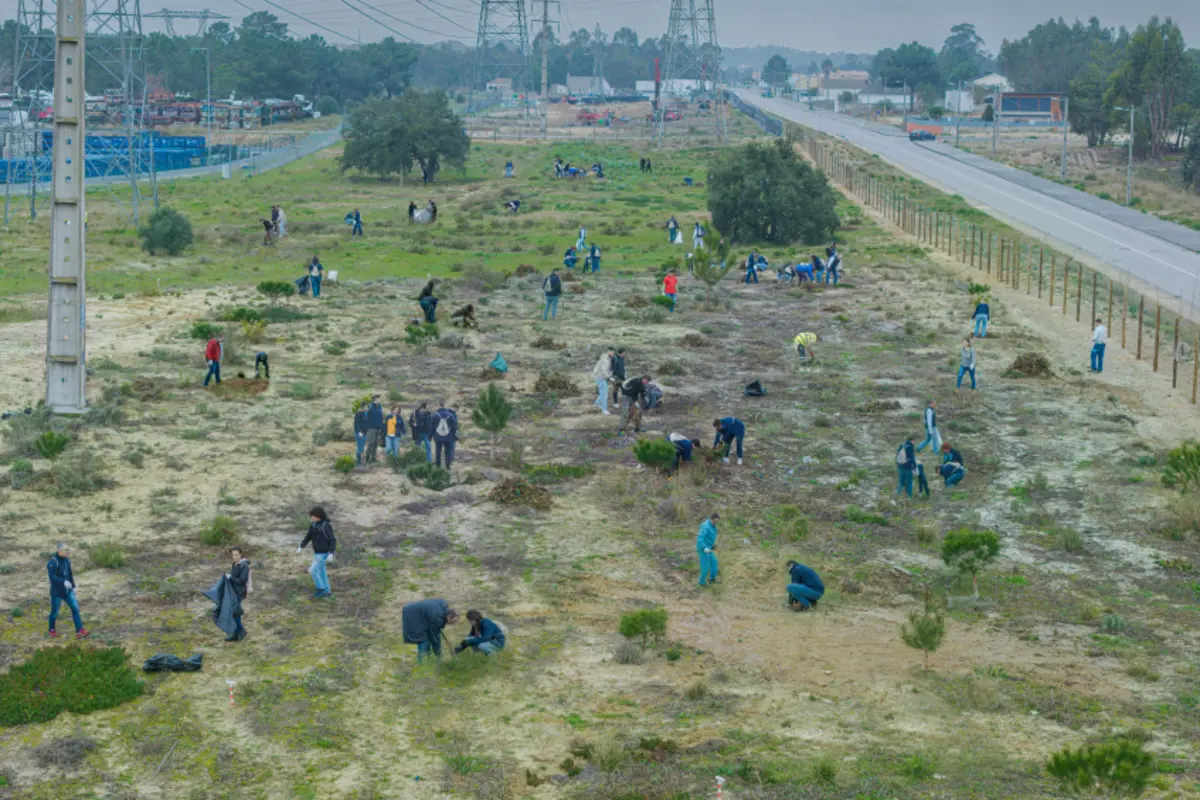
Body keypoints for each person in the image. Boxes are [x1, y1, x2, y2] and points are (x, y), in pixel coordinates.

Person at [47, 542, 89, 639]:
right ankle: (51, 630)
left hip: (67, 591)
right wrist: (63, 581)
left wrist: (73, 586)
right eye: (66, 550)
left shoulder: (67, 560)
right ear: (59, 550)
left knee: (75, 609)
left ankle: (80, 631)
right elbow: (52, 577)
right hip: (57, 593)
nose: (68, 551)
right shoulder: (53, 562)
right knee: (54, 613)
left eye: (68, 549)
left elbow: (69, 574)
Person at [298, 507, 336, 598]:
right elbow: (308, 536)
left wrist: (331, 552)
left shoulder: (326, 525)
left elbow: (332, 539)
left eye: (313, 516)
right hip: (317, 553)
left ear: (318, 516)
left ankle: (321, 589)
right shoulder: (313, 525)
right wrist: (301, 546)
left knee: (312, 570)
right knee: (322, 572)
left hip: (324, 553)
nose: (311, 518)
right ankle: (327, 591)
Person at [226, 547, 251, 639]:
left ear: (241, 554)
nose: (235, 557)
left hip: (239, 592)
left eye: (236, 555)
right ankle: (237, 633)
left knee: (235, 612)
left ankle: (240, 632)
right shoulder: (235, 564)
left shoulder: (244, 566)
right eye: (233, 555)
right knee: (234, 612)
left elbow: (242, 580)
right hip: (234, 591)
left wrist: (230, 578)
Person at [432, 401, 458, 470]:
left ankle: (438, 466)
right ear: (444, 406)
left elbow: (432, 427)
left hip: (438, 437)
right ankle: (447, 466)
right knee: (448, 452)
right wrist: (453, 436)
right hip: (448, 437)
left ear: (439, 406)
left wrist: (432, 436)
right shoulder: (450, 415)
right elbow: (454, 427)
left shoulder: (435, 415)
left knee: (438, 452)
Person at [696, 513, 720, 587]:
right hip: (703, 548)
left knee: (714, 562)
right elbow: (700, 539)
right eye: (715, 521)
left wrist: (712, 546)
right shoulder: (705, 527)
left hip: (708, 548)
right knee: (705, 568)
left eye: (717, 521)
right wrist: (704, 547)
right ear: (711, 519)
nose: (716, 523)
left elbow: (710, 537)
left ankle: (712, 579)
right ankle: (701, 582)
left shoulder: (713, 526)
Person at [591, 347, 614, 415]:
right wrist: (609, 377)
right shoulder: (606, 360)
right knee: (604, 394)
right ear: (609, 351)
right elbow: (604, 370)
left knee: (602, 392)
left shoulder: (604, 358)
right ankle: (604, 410)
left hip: (599, 377)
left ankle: (596, 404)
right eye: (612, 353)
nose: (613, 354)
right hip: (601, 377)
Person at [365, 395, 384, 464]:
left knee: (375, 444)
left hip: (378, 428)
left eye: (379, 398)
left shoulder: (380, 406)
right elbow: (366, 414)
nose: (379, 400)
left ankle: (373, 458)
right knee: (370, 443)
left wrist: (381, 427)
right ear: (374, 399)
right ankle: (367, 458)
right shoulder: (370, 406)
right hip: (371, 428)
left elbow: (381, 417)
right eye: (378, 398)